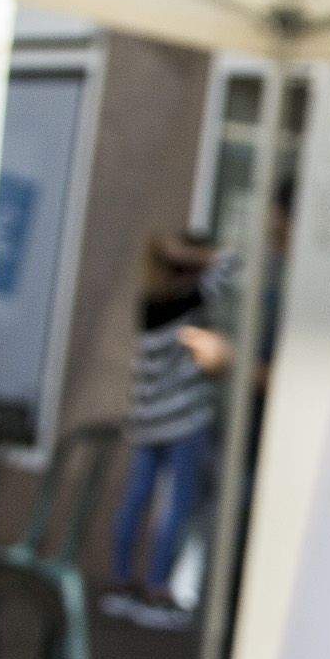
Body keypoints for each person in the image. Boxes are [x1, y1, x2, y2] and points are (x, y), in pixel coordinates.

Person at [110, 229, 232, 615]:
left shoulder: (151, 303)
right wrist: (204, 257)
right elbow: (232, 263)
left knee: (138, 500)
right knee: (176, 507)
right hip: (182, 423)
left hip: (147, 422)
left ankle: (122, 580)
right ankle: (160, 587)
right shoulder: (188, 302)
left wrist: (173, 255)